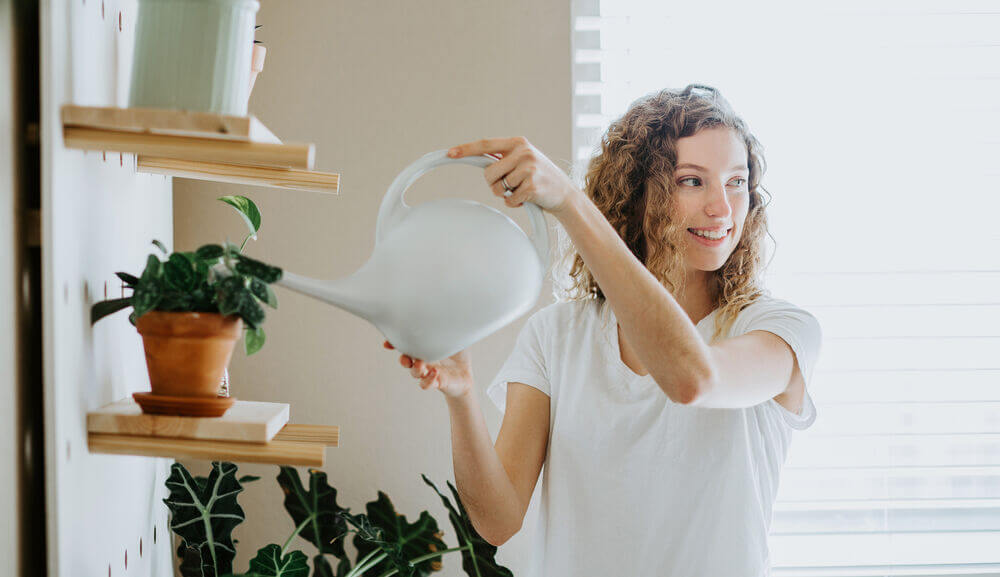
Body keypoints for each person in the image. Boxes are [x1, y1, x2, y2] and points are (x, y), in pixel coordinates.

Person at [382, 83, 823, 576]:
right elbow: (497, 521)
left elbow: (693, 379)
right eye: (692, 181)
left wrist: (568, 203)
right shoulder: (556, 335)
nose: (722, 207)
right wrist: (460, 395)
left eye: (737, 182)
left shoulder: (780, 329)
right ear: (640, 196)